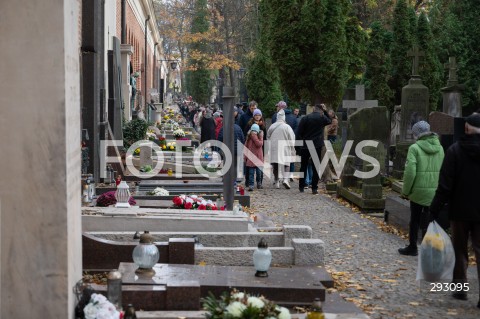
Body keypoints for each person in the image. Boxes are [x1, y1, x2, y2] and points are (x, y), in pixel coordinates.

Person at [429, 113, 480, 305]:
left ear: (466, 128)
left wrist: (434, 209)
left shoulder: (455, 151)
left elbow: (445, 185)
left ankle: (460, 289)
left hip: (460, 210)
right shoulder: (454, 150)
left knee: (459, 250)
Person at [398, 121, 445, 256]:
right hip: (434, 190)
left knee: (415, 220)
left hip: (418, 192)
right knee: (430, 219)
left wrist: (406, 191)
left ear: (417, 134)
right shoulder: (440, 148)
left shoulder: (415, 148)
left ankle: (413, 247)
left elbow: (410, 172)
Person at [297, 104, 332, 194]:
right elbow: (329, 121)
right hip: (317, 144)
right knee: (315, 166)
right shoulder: (322, 117)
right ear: (320, 110)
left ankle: (301, 186)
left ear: (313, 109)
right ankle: (314, 188)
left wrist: (300, 144)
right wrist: (325, 111)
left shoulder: (305, 118)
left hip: (306, 144)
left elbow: (299, 132)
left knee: (303, 166)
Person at [267, 109, 296, 189]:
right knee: (287, 164)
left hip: (275, 147)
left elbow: (268, 137)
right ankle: (285, 179)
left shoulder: (272, 126)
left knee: (275, 164)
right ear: (284, 118)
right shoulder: (287, 127)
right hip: (285, 147)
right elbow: (292, 138)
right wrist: (292, 146)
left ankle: (276, 181)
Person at [244, 124, 264, 191]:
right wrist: (245, 157)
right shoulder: (249, 138)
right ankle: (251, 185)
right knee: (251, 173)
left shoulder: (259, 137)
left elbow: (259, 144)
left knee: (259, 173)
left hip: (258, 157)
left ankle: (259, 183)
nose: (254, 133)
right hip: (251, 158)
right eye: (253, 131)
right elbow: (245, 147)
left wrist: (256, 137)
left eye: (255, 131)